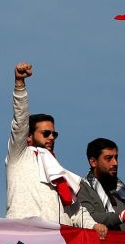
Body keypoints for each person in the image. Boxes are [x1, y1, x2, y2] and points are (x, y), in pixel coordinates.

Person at [6, 63, 94, 227]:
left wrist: (94, 226)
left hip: (56, 243)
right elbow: (20, 122)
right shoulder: (18, 157)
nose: (51, 137)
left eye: (54, 134)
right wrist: (19, 85)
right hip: (24, 237)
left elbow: (75, 210)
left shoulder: (57, 171)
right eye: (46, 133)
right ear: (29, 137)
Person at [74, 137, 125, 232]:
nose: (115, 163)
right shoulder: (82, 187)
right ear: (93, 162)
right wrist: (123, 216)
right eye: (108, 158)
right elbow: (87, 219)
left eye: (116, 157)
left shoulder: (121, 190)